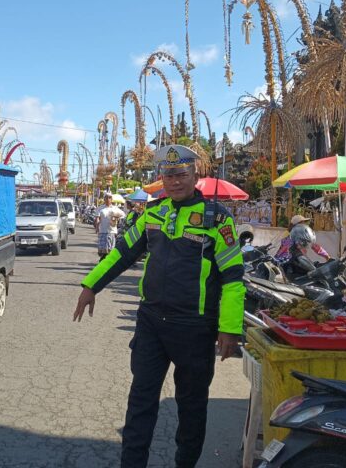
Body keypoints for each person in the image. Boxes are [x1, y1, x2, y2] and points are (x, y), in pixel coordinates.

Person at [73, 145, 245, 467]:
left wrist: (230, 328)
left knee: (191, 409)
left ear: (195, 175)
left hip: (195, 329)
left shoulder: (217, 218)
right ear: (162, 178)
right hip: (151, 323)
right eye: (169, 175)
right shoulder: (152, 213)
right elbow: (122, 253)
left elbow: (233, 277)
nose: (175, 181)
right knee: (140, 403)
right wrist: (91, 285)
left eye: (181, 174)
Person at [95, 193, 126, 260]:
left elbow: (123, 215)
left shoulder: (115, 208)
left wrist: (117, 218)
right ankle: (102, 261)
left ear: (112, 199)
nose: (108, 199)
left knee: (110, 250)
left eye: (109, 198)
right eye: (106, 197)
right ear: (104, 199)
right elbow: (97, 218)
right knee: (102, 251)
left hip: (112, 231)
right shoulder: (100, 208)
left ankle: (104, 262)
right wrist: (97, 227)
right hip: (102, 231)